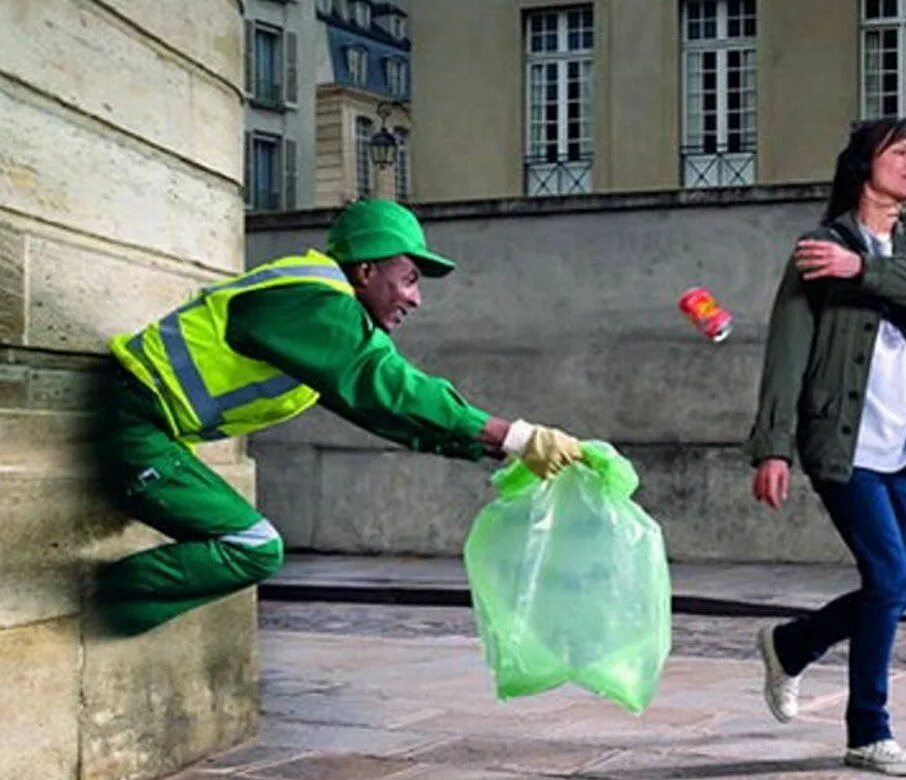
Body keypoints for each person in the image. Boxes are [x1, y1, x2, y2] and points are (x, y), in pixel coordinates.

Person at [95, 199, 582, 635]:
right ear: (367, 271)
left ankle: (109, 609)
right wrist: (516, 434)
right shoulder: (317, 302)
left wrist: (491, 446)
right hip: (136, 421)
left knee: (250, 545)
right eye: (410, 278)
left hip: (147, 425)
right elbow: (387, 385)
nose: (416, 298)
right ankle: (91, 602)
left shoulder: (315, 316)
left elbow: (385, 413)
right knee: (254, 546)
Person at [744, 118, 906, 777]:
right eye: (900, 153)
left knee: (888, 587)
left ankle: (789, 645)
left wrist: (862, 268)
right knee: (892, 581)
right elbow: (788, 349)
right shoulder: (818, 246)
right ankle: (868, 731)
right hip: (843, 446)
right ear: (863, 165)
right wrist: (773, 447)